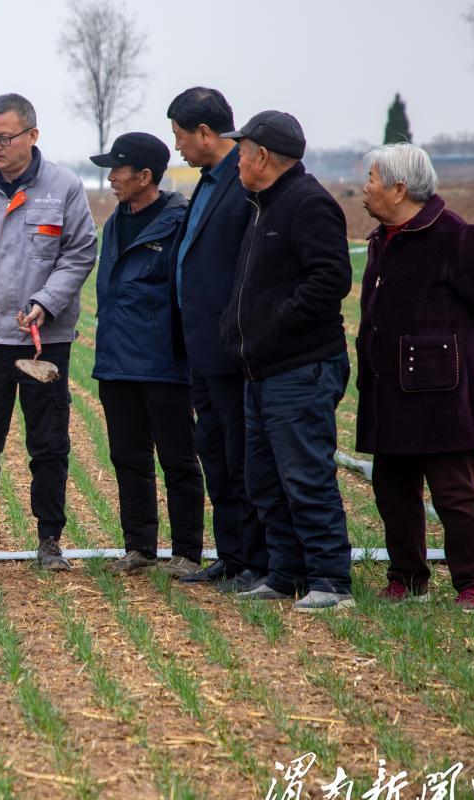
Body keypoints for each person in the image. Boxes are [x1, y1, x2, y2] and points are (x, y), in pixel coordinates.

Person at [0, 93, 98, 570]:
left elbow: (80, 252)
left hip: (43, 343)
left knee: (48, 443)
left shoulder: (63, 187)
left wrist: (46, 302)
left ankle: (49, 541)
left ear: (32, 135)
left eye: (5, 137)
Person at [356, 144, 474, 612]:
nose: (364, 187)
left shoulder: (457, 237)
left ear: (399, 188)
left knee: (453, 492)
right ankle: (406, 578)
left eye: (372, 178)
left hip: (443, 395)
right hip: (389, 392)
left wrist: (462, 359)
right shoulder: (382, 238)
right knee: (393, 489)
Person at [220, 110, 355, 612]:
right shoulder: (263, 204)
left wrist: (273, 324)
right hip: (261, 370)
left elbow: (330, 281)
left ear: (261, 156)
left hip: (299, 367)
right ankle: (286, 573)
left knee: (304, 475)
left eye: (241, 150)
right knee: (265, 477)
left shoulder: (308, 203)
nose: (236, 159)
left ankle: (331, 580)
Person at [89, 132, 204, 578]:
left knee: (177, 459)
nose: (112, 178)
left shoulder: (179, 221)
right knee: (128, 458)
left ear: (145, 176)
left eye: (118, 170)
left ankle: (188, 552)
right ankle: (139, 546)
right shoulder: (116, 220)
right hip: (117, 362)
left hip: (164, 363)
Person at [167, 87, 268, 592]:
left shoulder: (245, 181)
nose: (177, 147)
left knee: (239, 452)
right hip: (200, 349)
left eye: (181, 136)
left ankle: (254, 560)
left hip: (231, 348)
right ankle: (229, 555)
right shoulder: (207, 181)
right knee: (215, 453)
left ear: (206, 133)